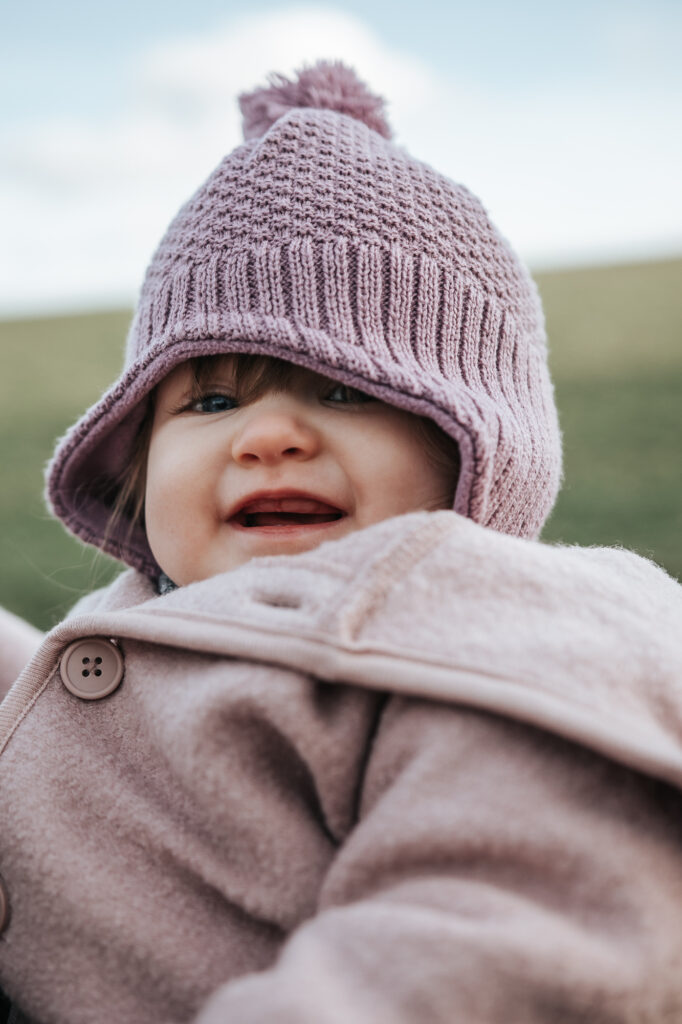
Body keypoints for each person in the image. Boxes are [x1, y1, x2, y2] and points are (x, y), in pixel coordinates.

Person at [1, 60, 682, 1024]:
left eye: (347, 389)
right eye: (214, 398)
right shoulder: (165, 613)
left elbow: (496, 930)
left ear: (478, 441)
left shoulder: (489, 633)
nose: (267, 434)